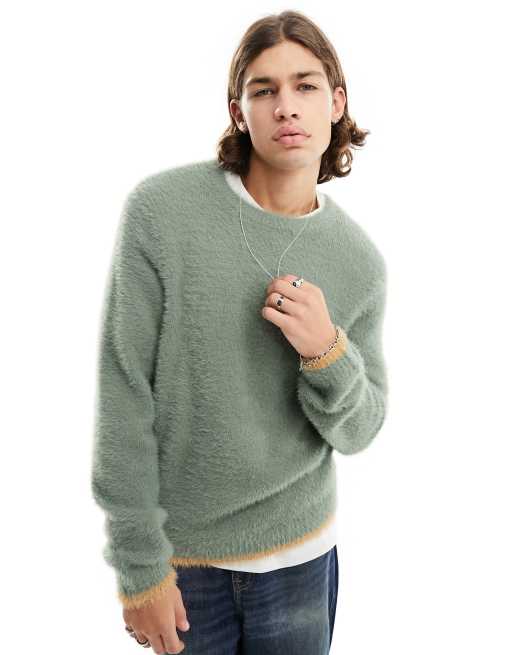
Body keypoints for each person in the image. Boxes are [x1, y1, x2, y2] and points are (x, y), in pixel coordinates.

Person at [91, 9, 388, 655]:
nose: (287, 106)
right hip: (184, 565)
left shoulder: (358, 260)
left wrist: (326, 351)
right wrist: (138, 567)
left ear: (336, 103)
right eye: (264, 89)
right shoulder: (162, 213)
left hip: (303, 559)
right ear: (239, 112)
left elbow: (361, 429)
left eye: (306, 85)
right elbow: (123, 392)